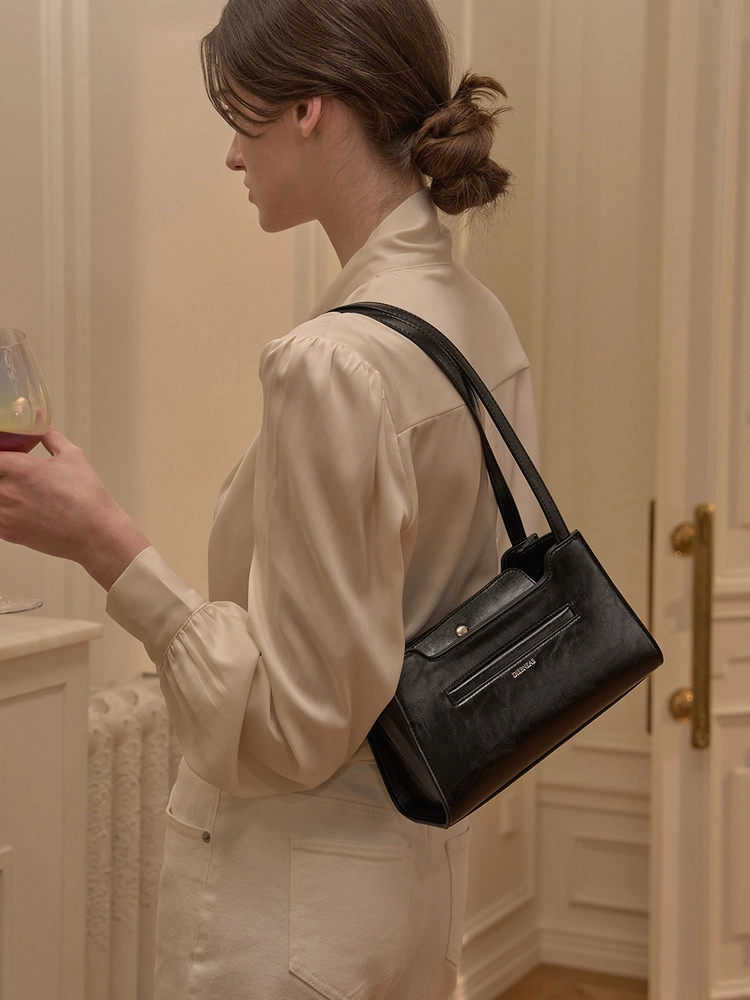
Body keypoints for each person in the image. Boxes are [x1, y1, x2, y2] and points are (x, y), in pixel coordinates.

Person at [0, 0, 538, 996]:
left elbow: (295, 727)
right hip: (413, 883)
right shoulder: (477, 322)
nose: (231, 154)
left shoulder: (331, 360)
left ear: (308, 108)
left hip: (289, 913)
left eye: (238, 114)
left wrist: (105, 542)